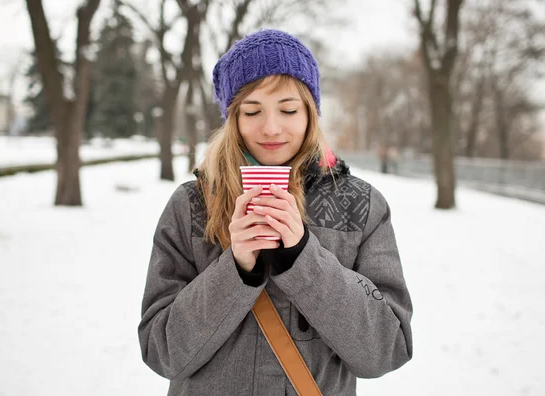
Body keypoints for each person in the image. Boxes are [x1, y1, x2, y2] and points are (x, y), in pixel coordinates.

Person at [138, 29, 413, 396]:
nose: (271, 128)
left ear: (310, 114)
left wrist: (303, 257)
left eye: (288, 109)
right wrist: (234, 268)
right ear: (232, 118)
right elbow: (161, 352)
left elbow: (387, 350)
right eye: (252, 111)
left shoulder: (360, 205)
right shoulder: (192, 205)